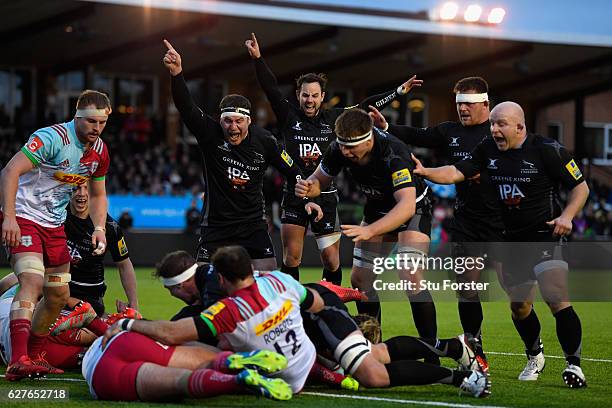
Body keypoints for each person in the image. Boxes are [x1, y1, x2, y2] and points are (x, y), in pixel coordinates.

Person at [412, 101, 589, 388]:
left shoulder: (547, 149)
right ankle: (535, 354)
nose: (494, 129)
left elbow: (581, 187)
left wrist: (567, 216)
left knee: (555, 293)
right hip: (510, 238)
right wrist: (425, 172)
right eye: (493, 123)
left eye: (501, 124)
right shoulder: (487, 149)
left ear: (520, 126)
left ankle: (574, 366)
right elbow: (457, 172)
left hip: (545, 234)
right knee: (519, 307)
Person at [246, 32, 422, 283]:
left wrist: (398, 91)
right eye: (305, 94)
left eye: (314, 95)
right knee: (292, 258)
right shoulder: (288, 116)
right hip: (295, 192)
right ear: (298, 95)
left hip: (325, 194)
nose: (309, 100)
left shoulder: (334, 119)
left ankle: (331, 306)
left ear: (322, 97)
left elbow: (366, 106)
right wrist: (258, 59)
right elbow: (271, 89)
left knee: (331, 260)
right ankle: (294, 310)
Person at [369, 76, 503, 360]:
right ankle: (474, 343)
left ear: (485, 105)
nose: (463, 109)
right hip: (467, 220)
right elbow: (420, 136)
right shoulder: (450, 130)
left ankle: (534, 349)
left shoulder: (497, 133)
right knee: (466, 287)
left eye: (468, 104)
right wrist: (387, 127)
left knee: (518, 297)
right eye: (459, 104)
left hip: (504, 221)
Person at [163, 39, 320, 271]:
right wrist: (177, 74)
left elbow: (293, 172)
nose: (233, 127)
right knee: (205, 285)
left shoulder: (265, 141)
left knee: (268, 281)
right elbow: (186, 107)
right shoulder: (210, 134)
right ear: (220, 120)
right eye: (227, 121)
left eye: (238, 121)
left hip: (253, 226)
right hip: (216, 226)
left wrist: (306, 199)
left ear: (249, 120)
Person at [295, 109, 438, 360]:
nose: (345, 153)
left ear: (369, 139)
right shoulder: (338, 148)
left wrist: (370, 230)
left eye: (351, 148)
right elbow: (320, 181)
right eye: (342, 147)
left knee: (410, 275)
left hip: (413, 208)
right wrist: (308, 187)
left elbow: (406, 207)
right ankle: (374, 346)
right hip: (376, 207)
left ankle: (431, 350)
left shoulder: (393, 152)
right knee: (361, 281)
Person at [104, 245, 324, 394]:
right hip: (303, 357)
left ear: (221, 279)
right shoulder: (279, 280)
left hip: (280, 373)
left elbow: (174, 333)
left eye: (172, 290)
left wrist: (127, 323)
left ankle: (232, 368)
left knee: (180, 343)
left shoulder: (223, 306)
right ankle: (331, 370)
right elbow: (317, 304)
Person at [0, 90, 111, 380]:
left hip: (54, 226)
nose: (95, 128)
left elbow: (99, 194)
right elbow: (10, 171)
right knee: (32, 281)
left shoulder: (99, 151)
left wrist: (99, 228)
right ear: (77, 118)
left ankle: (35, 356)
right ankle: (18, 359)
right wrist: (9, 217)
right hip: (24, 217)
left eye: (101, 123)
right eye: (90, 122)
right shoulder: (52, 138)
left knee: (58, 294)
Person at [84, 331, 292, 401]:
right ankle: (227, 361)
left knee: (179, 382)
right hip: (123, 339)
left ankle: (235, 381)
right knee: (196, 356)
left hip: (102, 374)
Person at [65, 183, 139, 316]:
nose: (81, 193)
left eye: (86, 188)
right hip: (58, 292)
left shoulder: (110, 227)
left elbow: (124, 264)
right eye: (76, 188)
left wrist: (134, 306)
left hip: (91, 298)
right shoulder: (56, 217)